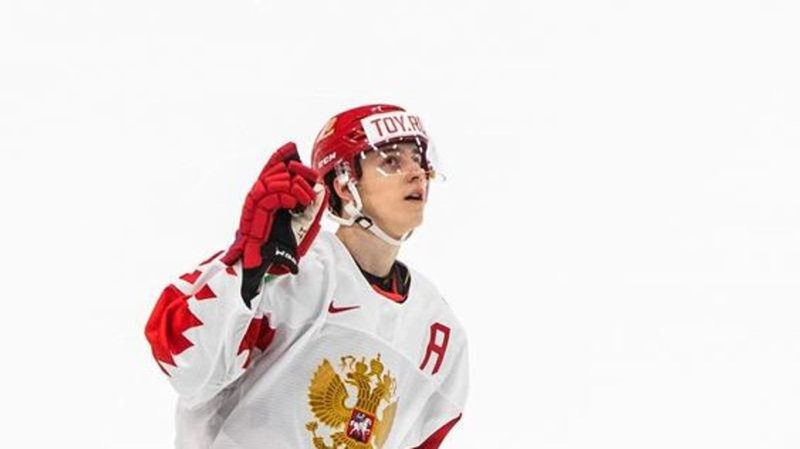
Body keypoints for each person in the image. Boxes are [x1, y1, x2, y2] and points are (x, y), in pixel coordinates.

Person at [145, 104, 469, 449]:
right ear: (344, 185)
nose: (417, 173)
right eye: (391, 161)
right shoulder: (290, 271)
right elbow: (187, 368)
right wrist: (247, 272)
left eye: (419, 160)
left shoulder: (438, 330)